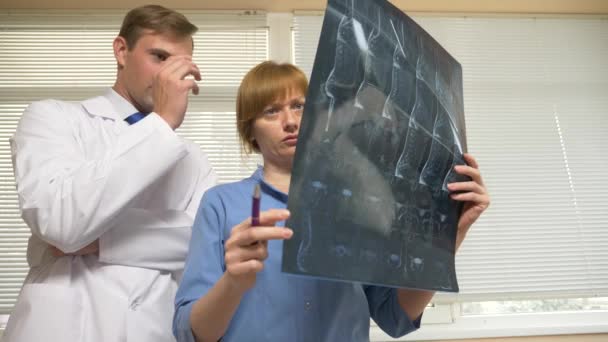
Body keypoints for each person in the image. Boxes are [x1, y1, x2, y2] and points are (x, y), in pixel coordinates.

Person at [173, 61, 490, 342]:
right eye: (271, 111)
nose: (291, 121)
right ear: (250, 130)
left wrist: (449, 237)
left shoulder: (358, 203)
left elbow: (395, 315)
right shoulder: (220, 205)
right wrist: (233, 283)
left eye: (300, 106)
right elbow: (193, 333)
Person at [3, 5, 217, 342]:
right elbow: (61, 223)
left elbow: (199, 243)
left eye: (181, 66)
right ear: (121, 51)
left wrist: (100, 241)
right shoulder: (52, 119)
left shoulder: (194, 159)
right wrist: (161, 125)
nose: (169, 77)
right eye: (159, 57)